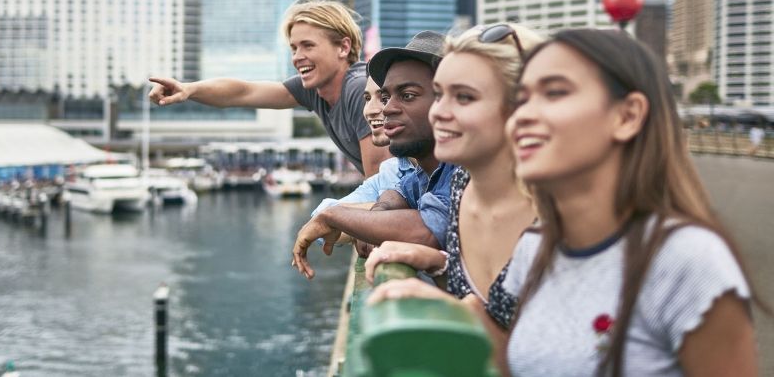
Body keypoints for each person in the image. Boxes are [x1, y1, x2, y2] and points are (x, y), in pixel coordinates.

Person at [413, 28, 759, 376]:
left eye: (555, 93)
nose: (523, 116)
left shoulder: (685, 260)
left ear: (626, 116)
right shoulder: (534, 248)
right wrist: (454, 312)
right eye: (524, 98)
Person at [365, 23, 544, 330]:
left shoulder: (555, 210)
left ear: (521, 105)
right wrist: (439, 264)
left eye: (463, 97)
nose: (439, 112)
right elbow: (496, 311)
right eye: (439, 94)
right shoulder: (465, 184)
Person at [149, 0, 391, 177]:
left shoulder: (359, 90)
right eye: (294, 48)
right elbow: (243, 92)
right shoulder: (314, 90)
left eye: (308, 46)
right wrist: (189, 89)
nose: (297, 57)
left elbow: (382, 181)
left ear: (343, 47)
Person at [291, 31, 457, 279]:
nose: (386, 109)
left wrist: (335, 216)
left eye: (407, 95)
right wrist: (376, 220)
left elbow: (429, 230)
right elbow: (397, 194)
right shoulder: (424, 173)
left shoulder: (464, 168)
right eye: (386, 97)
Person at [311, 76, 418, 217]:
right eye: (367, 99)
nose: (369, 110)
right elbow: (323, 213)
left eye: (384, 98)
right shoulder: (391, 169)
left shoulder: (451, 170)